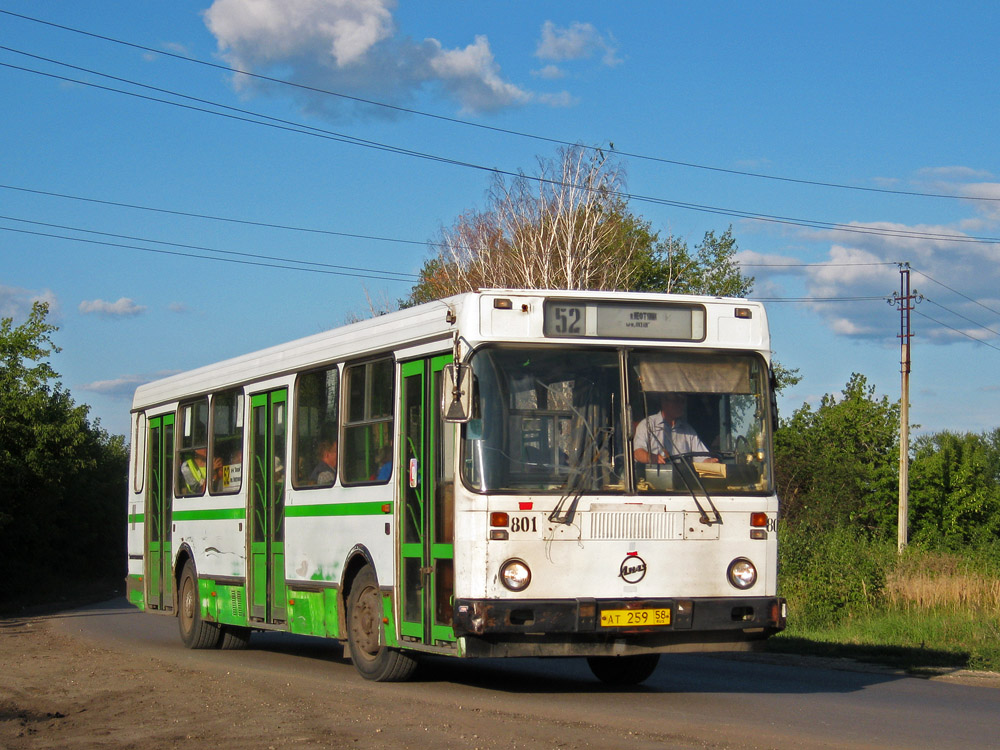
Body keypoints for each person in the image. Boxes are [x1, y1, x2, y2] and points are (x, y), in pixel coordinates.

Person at [633, 393, 716, 464]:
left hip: (683, 480)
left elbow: (701, 457)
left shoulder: (687, 429)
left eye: (683, 401)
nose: (681, 405)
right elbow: (637, 453)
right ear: (664, 402)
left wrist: (709, 461)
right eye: (676, 401)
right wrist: (652, 458)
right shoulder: (648, 425)